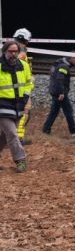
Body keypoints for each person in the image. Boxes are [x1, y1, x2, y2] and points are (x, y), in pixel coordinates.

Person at [0, 40, 32, 172]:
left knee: (3, 136)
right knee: (13, 134)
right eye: (10, 51)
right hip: (2, 105)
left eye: (15, 51)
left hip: (19, 105)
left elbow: (28, 83)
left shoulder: (24, 65)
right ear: (4, 52)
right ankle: (20, 160)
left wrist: (25, 97)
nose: (13, 54)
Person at [42, 53, 75, 136]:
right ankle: (73, 131)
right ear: (71, 58)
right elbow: (59, 79)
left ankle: (46, 129)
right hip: (60, 93)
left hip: (55, 91)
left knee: (54, 111)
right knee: (68, 111)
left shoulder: (60, 64)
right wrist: (61, 92)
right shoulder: (64, 67)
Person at [13, 28, 34, 145]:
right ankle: (18, 139)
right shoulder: (21, 53)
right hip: (20, 89)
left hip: (14, 88)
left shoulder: (9, 50)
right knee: (23, 113)